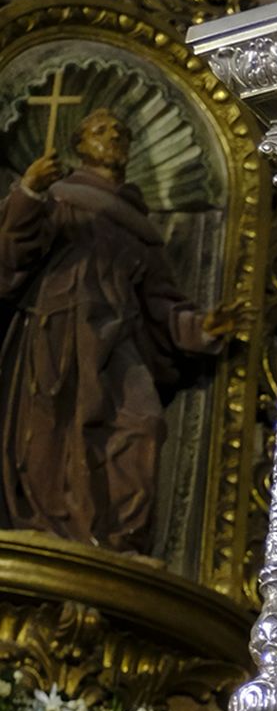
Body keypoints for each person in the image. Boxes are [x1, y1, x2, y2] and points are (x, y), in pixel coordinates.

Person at [0, 106, 226, 553]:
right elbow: (11, 253)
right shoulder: (61, 197)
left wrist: (201, 326)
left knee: (143, 423)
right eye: (100, 129)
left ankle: (116, 541)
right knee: (53, 433)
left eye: (121, 131)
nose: (114, 136)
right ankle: (48, 530)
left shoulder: (138, 225)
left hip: (117, 336)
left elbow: (160, 300)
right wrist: (29, 191)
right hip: (57, 330)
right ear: (79, 144)